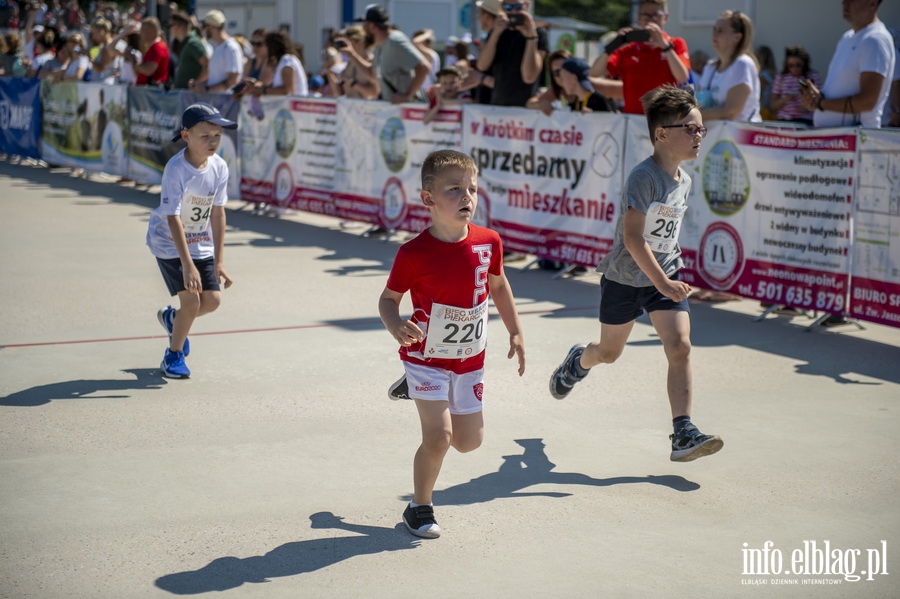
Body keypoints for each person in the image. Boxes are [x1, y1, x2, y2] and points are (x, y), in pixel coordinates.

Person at [548, 85, 723, 463]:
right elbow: (632, 238)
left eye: (701, 129)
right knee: (608, 353)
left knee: (680, 346)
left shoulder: (685, 181)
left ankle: (683, 432)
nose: (698, 137)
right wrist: (662, 281)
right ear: (662, 134)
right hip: (627, 278)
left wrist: (666, 278)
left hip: (665, 276)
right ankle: (578, 362)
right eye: (690, 129)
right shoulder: (643, 177)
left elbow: (665, 234)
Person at [378, 149, 526, 538]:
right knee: (439, 437)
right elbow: (388, 299)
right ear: (428, 199)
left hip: (469, 359)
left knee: (468, 442)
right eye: (455, 189)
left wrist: (515, 329)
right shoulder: (412, 253)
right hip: (425, 356)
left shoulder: (488, 241)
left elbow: (498, 285)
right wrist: (395, 324)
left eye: (472, 189)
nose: (467, 197)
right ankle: (419, 507)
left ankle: (414, 389)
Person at [146, 102, 237, 379]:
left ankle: (174, 321)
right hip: (170, 244)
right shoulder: (176, 170)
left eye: (217, 136)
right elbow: (172, 217)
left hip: (201, 243)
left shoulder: (219, 167)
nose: (213, 141)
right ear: (186, 136)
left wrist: (219, 260)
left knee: (212, 301)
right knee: (192, 303)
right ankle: (173, 356)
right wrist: (187, 264)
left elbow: (218, 213)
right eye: (205, 135)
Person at [800, 0, 894, 129]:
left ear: (872, 3)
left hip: (856, 141)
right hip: (837, 140)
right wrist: (816, 98)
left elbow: (867, 102)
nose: (844, 3)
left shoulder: (875, 40)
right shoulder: (847, 37)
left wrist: (821, 103)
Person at [588, 0, 690, 115]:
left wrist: (665, 47)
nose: (650, 20)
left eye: (655, 15)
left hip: (664, 119)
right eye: (646, 15)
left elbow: (682, 77)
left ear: (665, 17)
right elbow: (595, 72)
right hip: (633, 120)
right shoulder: (628, 49)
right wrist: (614, 45)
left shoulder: (675, 44)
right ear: (639, 18)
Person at [475, 0, 548, 107]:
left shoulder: (539, 33)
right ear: (501, 8)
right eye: (508, 7)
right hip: (499, 105)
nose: (513, 12)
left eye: (518, 7)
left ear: (526, 6)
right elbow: (482, 65)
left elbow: (529, 76)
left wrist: (531, 37)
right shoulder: (497, 33)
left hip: (527, 107)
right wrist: (496, 33)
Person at [696, 10, 761, 122]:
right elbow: (699, 103)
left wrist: (693, 116)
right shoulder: (710, 67)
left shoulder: (743, 64)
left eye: (720, 31)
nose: (714, 35)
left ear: (737, 37)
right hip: (714, 136)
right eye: (714, 29)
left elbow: (731, 111)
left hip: (741, 136)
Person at [357, 4, 429, 103]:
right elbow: (371, 75)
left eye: (364, 25)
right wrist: (351, 54)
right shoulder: (380, 45)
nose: (363, 29)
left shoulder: (395, 41)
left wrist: (407, 96)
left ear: (372, 26)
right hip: (395, 111)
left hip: (408, 110)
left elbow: (424, 67)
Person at [190, 9, 243, 93]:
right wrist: (199, 85)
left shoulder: (230, 47)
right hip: (217, 101)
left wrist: (207, 89)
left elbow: (233, 80)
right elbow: (216, 77)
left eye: (204, 25)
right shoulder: (219, 47)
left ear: (211, 26)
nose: (203, 29)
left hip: (226, 103)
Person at [770, 46, 821, 126]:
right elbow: (773, 105)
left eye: (798, 65)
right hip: (784, 121)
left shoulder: (812, 77)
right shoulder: (781, 78)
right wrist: (785, 100)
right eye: (791, 65)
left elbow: (821, 100)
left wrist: (805, 106)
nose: (795, 68)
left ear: (804, 63)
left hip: (805, 120)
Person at [250, 30, 308, 96]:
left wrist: (263, 90)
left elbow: (288, 90)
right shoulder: (281, 62)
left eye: (266, 44)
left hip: (294, 105)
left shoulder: (287, 60)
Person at [331, 25, 379, 100]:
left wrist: (354, 84)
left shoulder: (371, 61)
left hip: (366, 108)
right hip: (349, 108)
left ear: (360, 42)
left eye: (348, 43)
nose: (345, 46)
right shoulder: (350, 62)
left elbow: (374, 93)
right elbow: (341, 92)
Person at [526, 49, 572, 115]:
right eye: (557, 72)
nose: (562, 75)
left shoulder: (584, 86)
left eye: (565, 70)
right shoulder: (557, 90)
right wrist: (539, 104)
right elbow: (530, 103)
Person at [169, 10, 208, 90]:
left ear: (177, 25)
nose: (169, 29)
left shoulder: (193, 43)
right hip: (185, 95)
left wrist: (196, 83)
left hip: (190, 96)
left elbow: (208, 65)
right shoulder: (186, 43)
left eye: (170, 26)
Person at [134, 17, 169, 86]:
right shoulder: (155, 46)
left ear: (151, 31)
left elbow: (148, 70)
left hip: (152, 90)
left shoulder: (157, 47)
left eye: (143, 31)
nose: (140, 34)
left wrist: (134, 63)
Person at [755, 45, 777, 120]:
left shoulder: (763, 76)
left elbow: (757, 93)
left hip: (764, 112)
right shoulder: (773, 75)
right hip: (772, 112)